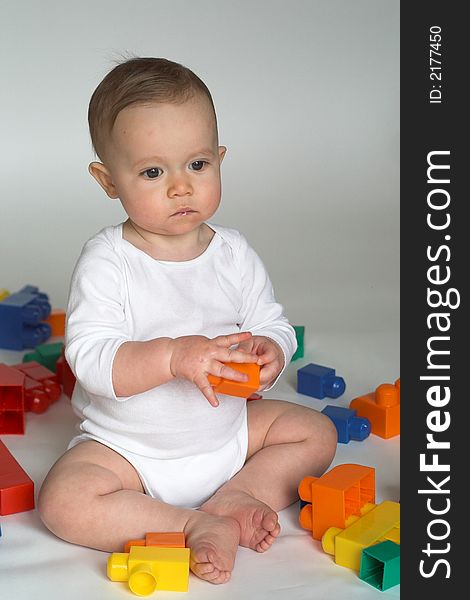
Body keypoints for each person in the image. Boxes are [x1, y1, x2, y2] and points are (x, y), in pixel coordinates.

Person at [38, 57, 337, 584]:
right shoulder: (109, 259)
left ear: (220, 159)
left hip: (227, 433)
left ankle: (239, 495)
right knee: (64, 502)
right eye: (153, 172)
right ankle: (191, 524)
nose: (180, 187)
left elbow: (274, 322)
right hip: (129, 449)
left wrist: (271, 349)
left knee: (316, 433)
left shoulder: (233, 253)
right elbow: (91, 360)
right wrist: (175, 356)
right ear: (108, 181)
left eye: (197, 165)